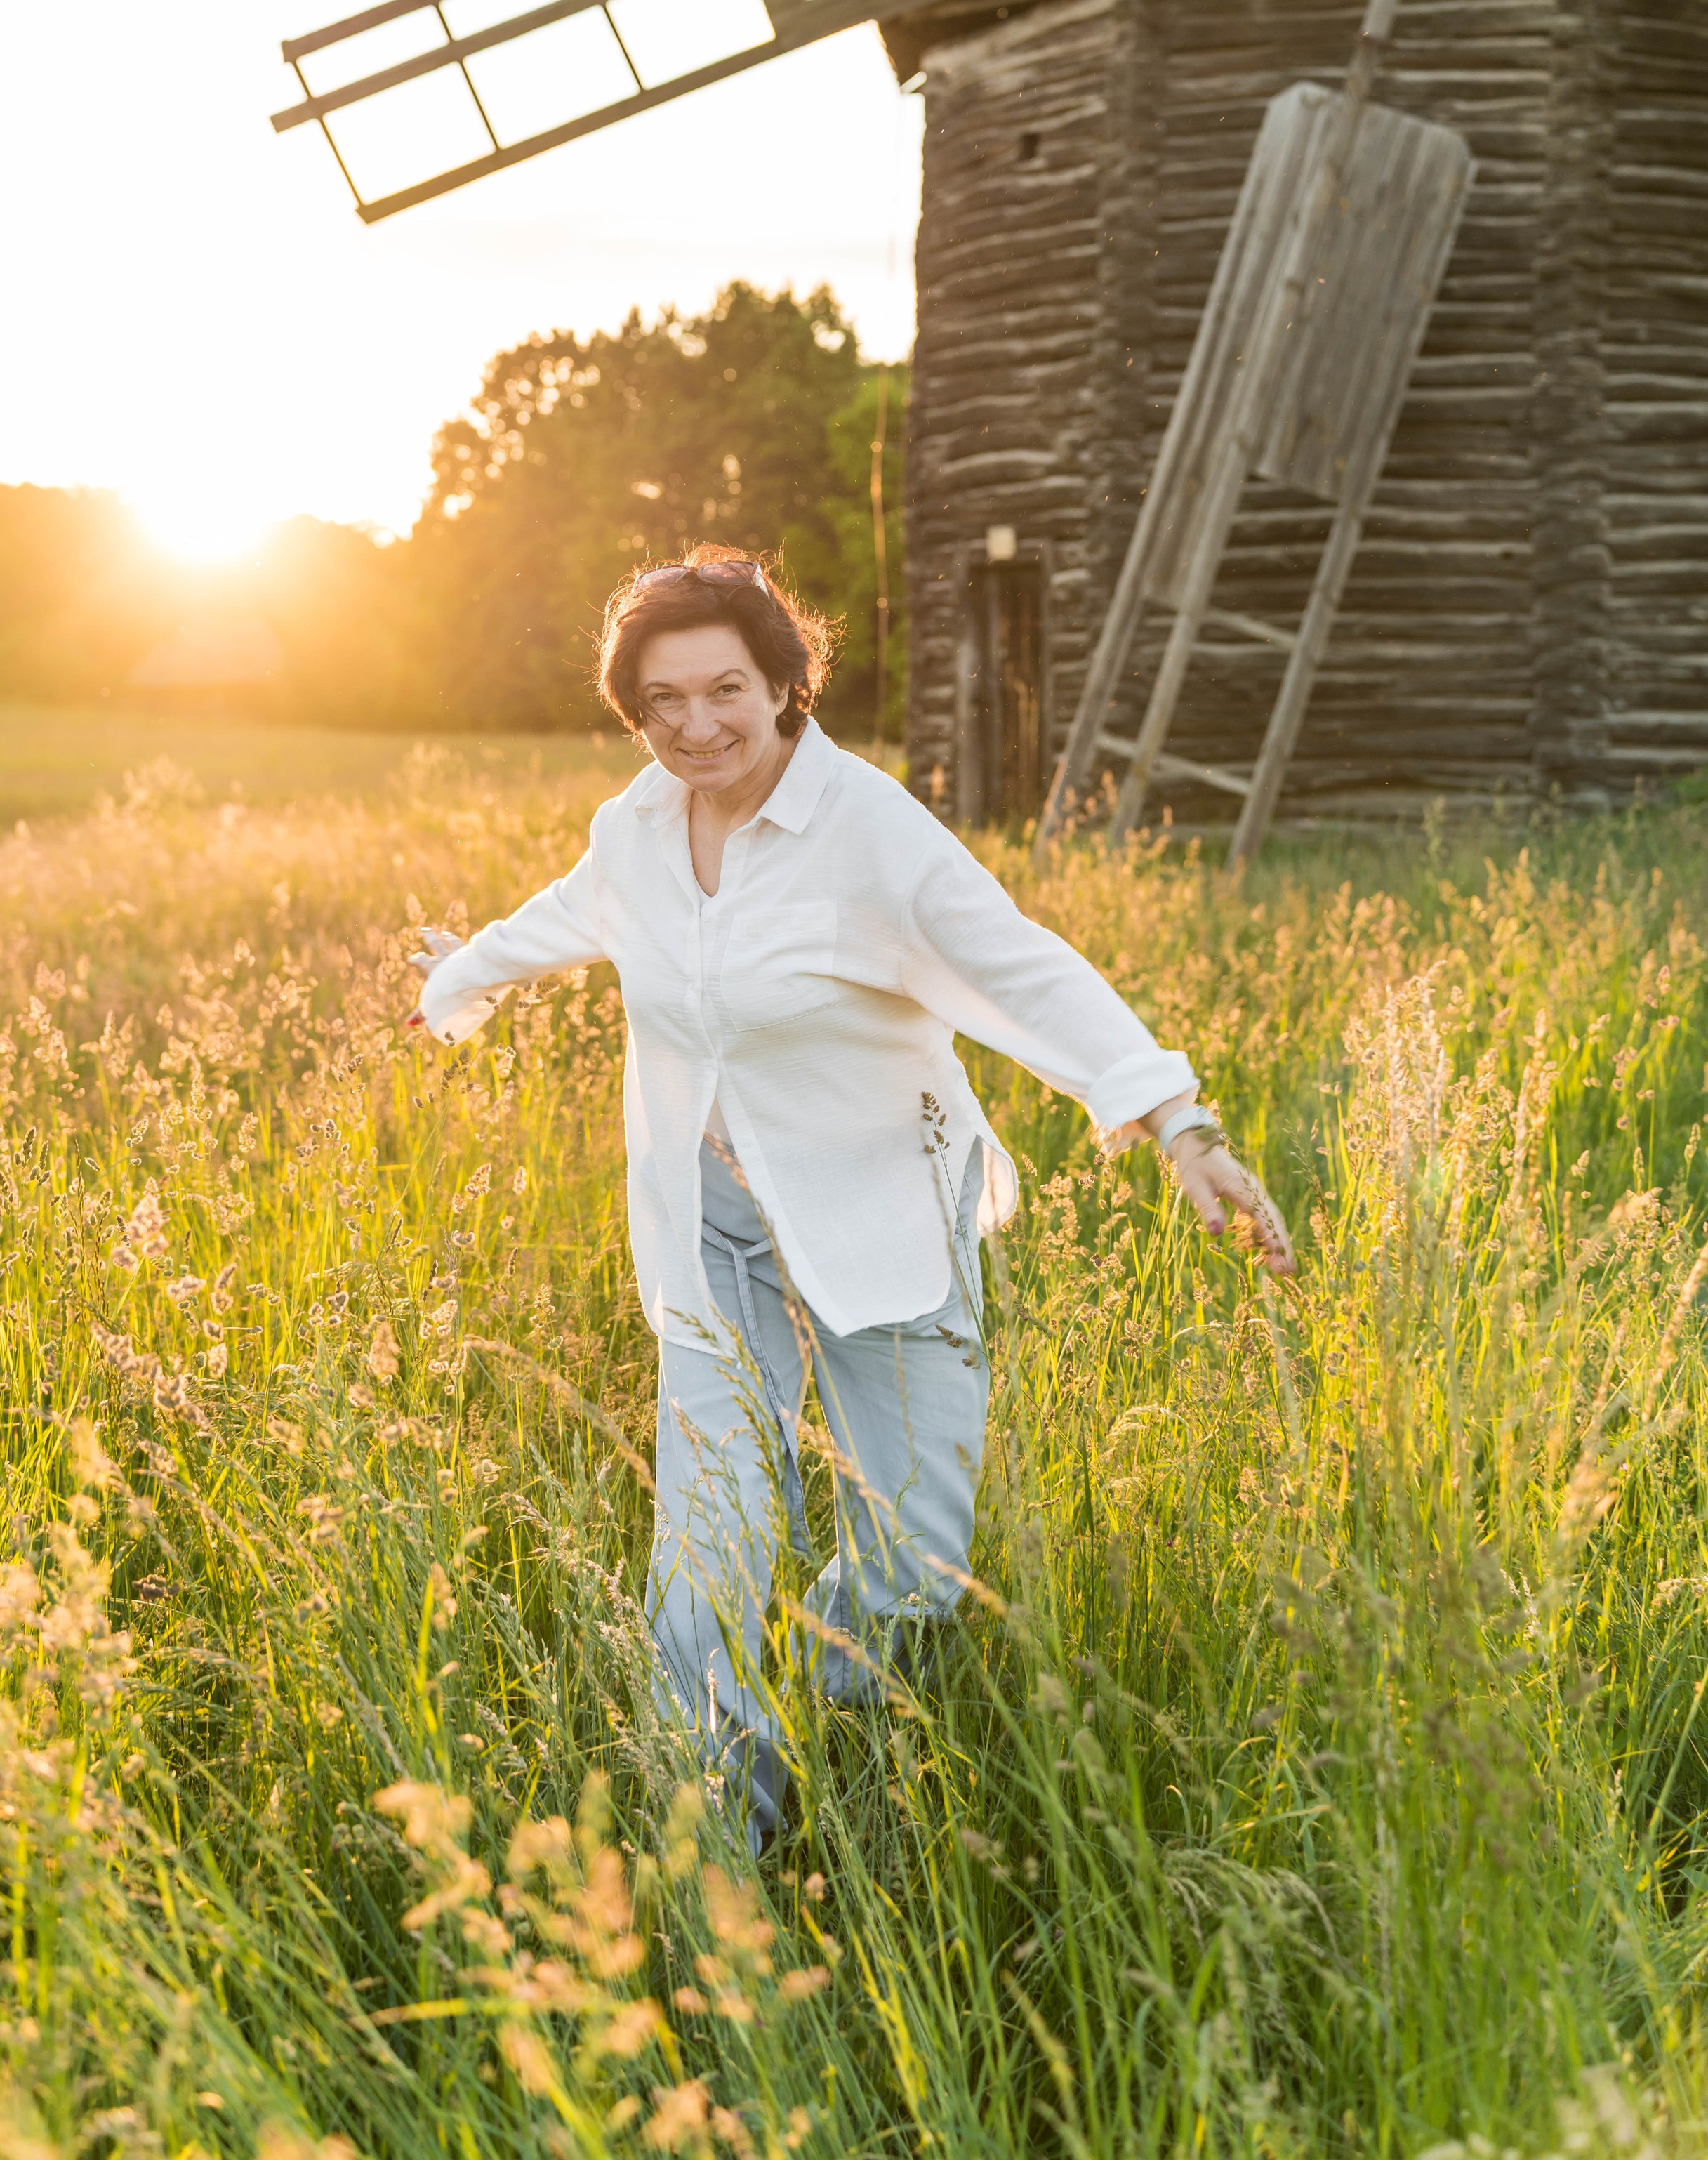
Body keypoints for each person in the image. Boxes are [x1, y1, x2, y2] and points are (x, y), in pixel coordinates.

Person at [409, 547, 1291, 1848]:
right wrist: (461, 977)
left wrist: (1177, 1119)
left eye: (725, 690)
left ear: (783, 683)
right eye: (663, 702)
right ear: (633, 712)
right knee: (710, 1542)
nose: (698, 726)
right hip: (713, 1228)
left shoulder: (867, 832)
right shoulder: (636, 829)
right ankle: (726, 1840)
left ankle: (818, 1715)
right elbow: (572, 914)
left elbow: (1021, 969)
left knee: (920, 1559)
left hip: (884, 1213)